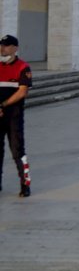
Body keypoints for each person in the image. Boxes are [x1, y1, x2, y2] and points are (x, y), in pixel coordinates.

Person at [0, 35, 32, 197]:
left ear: (15, 48)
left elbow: (22, 92)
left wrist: (3, 105)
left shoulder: (23, 67)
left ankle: (25, 184)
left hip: (14, 116)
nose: (2, 48)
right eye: (1, 45)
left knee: (17, 151)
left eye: (6, 46)